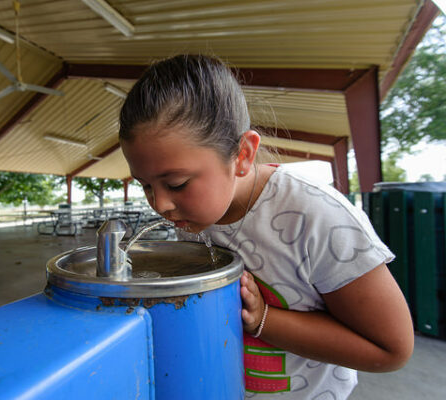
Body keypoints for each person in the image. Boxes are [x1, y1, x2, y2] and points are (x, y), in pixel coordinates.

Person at [118, 54, 414, 399]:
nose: (160, 204)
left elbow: (390, 350)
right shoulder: (195, 215)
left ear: (242, 155)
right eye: (145, 185)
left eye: (178, 183)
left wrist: (264, 319)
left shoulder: (314, 216)